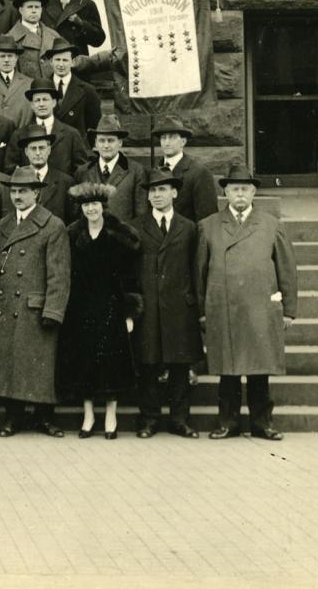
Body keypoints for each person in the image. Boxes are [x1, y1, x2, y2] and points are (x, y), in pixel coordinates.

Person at [197, 164, 298, 440]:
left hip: (259, 307)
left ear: (253, 192)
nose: (240, 194)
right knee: (227, 371)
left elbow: (286, 269)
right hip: (223, 306)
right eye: (234, 189)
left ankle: (262, 423)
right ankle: (227, 422)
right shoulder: (208, 227)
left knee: (259, 369)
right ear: (225, 193)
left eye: (245, 189)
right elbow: (200, 273)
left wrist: (288, 309)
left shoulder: (271, 225)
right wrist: (202, 311)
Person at [0, 166, 69, 436]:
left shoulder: (52, 225)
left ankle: (45, 418)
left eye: (24, 191)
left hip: (35, 307)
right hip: (8, 305)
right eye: (14, 191)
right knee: (11, 364)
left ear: (37, 193)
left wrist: (53, 310)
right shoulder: (3, 225)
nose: (18, 196)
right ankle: (13, 418)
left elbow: (59, 274)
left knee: (39, 366)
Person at [58, 183, 141, 439]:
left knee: (111, 363)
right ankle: (88, 415)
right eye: (86, 205)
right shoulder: (72, 234)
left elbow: (129, 277)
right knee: (85, 362)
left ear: (103, 207)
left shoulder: (120, 235)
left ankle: (111, 415)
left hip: (111, 308)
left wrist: (129, 312)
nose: (91, 209)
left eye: (95, 204)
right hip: (81, 309)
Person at [135, 167, 204, 439]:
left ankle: (180, 419)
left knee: (179, 365)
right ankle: (149, 419)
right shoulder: (136, 226)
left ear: (174, 192)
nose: (157, 195)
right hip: (149, 306)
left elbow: (195, 268)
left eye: (163, 189)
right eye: (153, 190)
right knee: (148, 364)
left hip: (179, 306)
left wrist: (196, 305)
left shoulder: (188, 228)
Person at [75, 114, 146, 224]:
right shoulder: (83, 172)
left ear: (120, 143)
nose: (106, 145)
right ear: (96, 144)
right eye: (102, 141)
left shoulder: (136, 171)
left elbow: (141, 216)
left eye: (111, 140)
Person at [152, 117, 220, 226]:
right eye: (163, 138)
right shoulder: (154, 171)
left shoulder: (199, 172)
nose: (167, 142)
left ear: (183, 141)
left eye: (172, 138)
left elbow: (207, 221)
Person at [42, 38, 101, 137]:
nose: (61, 64)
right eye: (57, 60)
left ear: (73, 62)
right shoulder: (42, 88)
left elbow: (93, 127)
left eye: (65, 60)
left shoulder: (87, 91)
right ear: (51, 62)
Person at [7, 0, 60, 77]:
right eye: (30, 7)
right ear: (21, 10)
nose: (34, 11)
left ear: (41, 10)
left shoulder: (53, 35)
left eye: (37, 7)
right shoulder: (11, 38)